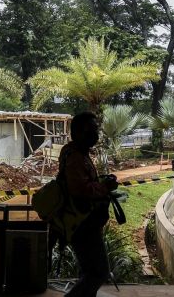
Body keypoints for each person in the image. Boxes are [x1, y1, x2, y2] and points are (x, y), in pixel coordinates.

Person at [57, 111, 118, 297]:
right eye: (91, 130)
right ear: (77, 132)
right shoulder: (75, 157)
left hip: (83, 221)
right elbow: (80, 190)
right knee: (99, 272)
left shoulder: (77, 153)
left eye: (96, 129)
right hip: (83, 223)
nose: (95, 134)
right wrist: (104, 187)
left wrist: (100, 183)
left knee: (88, 272)